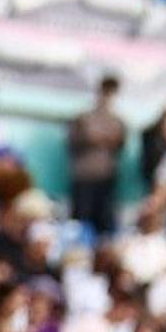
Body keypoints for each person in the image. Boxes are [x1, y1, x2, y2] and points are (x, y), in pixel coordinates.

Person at [62, 78, 125, 234]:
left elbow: (119, 144)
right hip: (84, 176)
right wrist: (90, 138)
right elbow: (73, 142)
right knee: (80, 222)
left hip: (106, 177)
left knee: (103, 222)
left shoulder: (117, 121)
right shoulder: (83, 118)